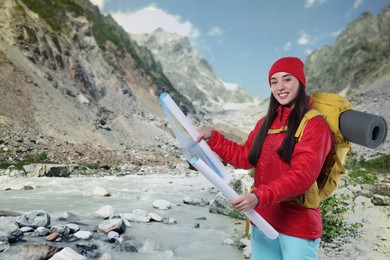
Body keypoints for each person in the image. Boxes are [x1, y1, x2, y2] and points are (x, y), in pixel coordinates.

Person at [196, 57, 333, 259]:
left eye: (287, 79)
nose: (280, 87)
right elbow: (245, 157)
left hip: (298, 227)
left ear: (300, 82)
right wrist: (214, 140)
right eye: (274, 82)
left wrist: (258, 196)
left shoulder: (315, 125)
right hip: (262, 222)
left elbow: (301, 177)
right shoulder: (265, 123)